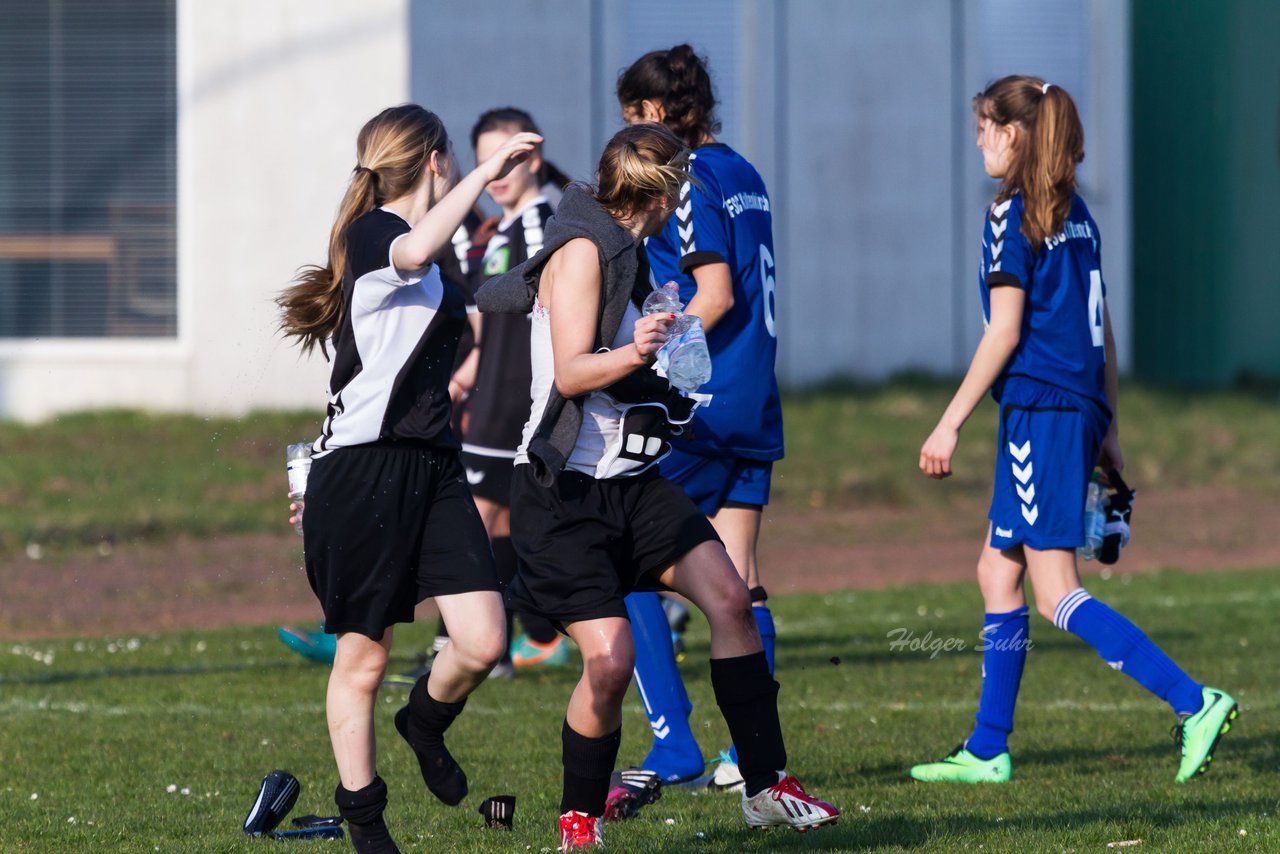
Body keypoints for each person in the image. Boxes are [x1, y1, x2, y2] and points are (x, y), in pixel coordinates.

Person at [476, 122, 839, 850]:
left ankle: (766, 787)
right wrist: (636, 348)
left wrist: (666, 340)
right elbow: (576, 370)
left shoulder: (628, 249)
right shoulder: (583, 251)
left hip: (633, 484)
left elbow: (636, 360)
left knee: (731, 599)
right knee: (610, 661)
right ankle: (578, 821)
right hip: (565, 495)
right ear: (665, 190)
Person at [909, 76, 1237, 784]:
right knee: (997, 571)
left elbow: (1004, 332)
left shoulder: (1013, 213)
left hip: (1042, 410)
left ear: (1014, 133)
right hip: (1074, 406)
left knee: (1055, 590)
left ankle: (1195, 700)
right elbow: (1103, 330)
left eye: (985, 127)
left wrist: (948, 423)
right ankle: (988, 749)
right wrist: (1109, 424)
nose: (979, 141)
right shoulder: (1074, 212)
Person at [276, 103, 541, 853]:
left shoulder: (438, 253)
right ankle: (365, 822)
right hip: (362, 474)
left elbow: (470, 315)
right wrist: (491, 173)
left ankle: (423, 720)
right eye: (458, 157)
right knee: (364, 658)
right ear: (436, 160)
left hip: (435, 467)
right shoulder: (376, 236)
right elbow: (415, 254)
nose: (463, 166)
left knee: (485, 639)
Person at [613, 43, 784, 791]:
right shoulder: (743, 169)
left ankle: (674, 743)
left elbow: (712, 293)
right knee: (740, 580)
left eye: (632, 123)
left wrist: (648, 360)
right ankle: (753, 759)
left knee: (619, 557)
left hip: (706, 403)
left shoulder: (689, 179)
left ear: (656, 115)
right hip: (756, 396)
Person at [456, 107, 574, 671]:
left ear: (535, 157)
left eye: (508, 159)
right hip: (490, 396)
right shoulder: (501, 227)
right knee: (499, 521)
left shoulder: (541, 222)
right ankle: (523, 635)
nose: (496, 173)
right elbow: (488, 324)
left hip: (516, 400)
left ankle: (489, 642)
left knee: (483, 520)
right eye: (485, 164)